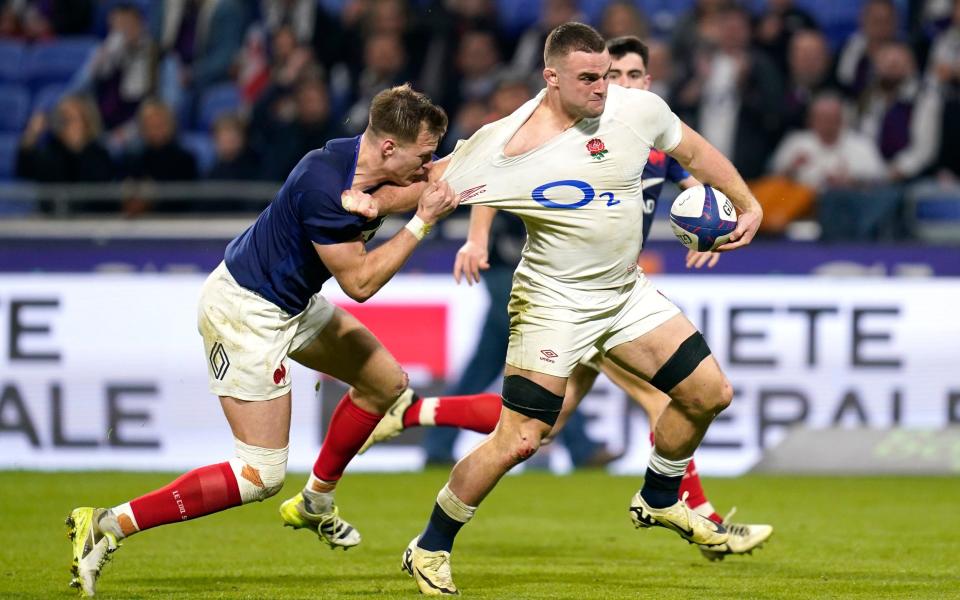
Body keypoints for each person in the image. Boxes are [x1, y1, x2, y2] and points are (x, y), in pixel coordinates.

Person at [360, 35, 772, 563]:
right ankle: (430, 545)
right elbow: (427, 185)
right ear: (551, 78)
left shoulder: (636, 111)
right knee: (522, 439)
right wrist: (359, 198)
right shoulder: (507, 144)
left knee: (709, 392)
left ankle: (659, 496)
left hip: (623, 294)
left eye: (606, 74)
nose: (603, 87)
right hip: (552, 304)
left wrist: (747, 203)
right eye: (588, 78)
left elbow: (692, 150)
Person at [64, 84, 459, 597]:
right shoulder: (324, 185)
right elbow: (360, 284)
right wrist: (424, 221)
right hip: (245, 312)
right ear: (389, 147)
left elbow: (402, 190)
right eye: (423, 157)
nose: (428, 168)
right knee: (260, 475)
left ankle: (316, 500)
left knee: (385, 382)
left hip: (290, 304)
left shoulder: (351, 159)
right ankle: (106, 524)